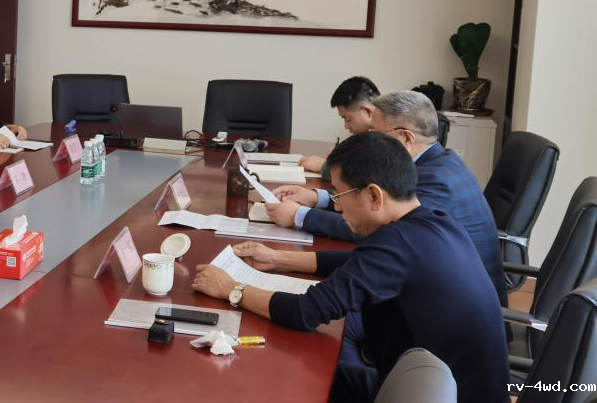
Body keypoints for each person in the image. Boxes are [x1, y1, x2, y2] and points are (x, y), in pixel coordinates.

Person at [193, 132, 508, 403]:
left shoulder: (398, 244)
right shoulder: (430, 221)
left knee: (282, 373)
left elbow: (305, 312)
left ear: (374, 195)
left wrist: (231, 289)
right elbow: (361, 262)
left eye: (339, 195)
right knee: (309, 366)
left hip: (436, 395)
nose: (337, 205)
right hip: (435, 384)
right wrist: (279, 258)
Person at [264, 90, 505, 301]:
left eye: (376, 133)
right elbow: (372, 207)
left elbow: (371, 230)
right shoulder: (437, 162)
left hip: (453, 313)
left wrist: (300, 216)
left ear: (406, 137)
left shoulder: (433, 180)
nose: (370, 140)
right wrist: (319, 198)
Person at [299, 76, 379, 173]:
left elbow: (367, 174)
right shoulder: (370, 137)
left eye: (348, 119)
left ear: (367, 111)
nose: (346, 126)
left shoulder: (389, 138)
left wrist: (323, 166)